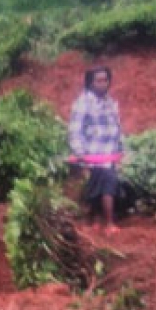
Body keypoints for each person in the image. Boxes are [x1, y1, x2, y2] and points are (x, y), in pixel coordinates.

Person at [68, 66, 125, 234]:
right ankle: (108, 224)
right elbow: (75, 129)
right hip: (93, 153)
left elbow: (117, 126)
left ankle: (92, 221)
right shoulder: (83, 103)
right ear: (90, 83)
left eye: (105, 80)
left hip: (110, 153)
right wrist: (80, 153)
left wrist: (121, 148)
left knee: (98, 186)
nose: (103, 84)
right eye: (98, 81)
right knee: (107, 182)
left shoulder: (109, 101)